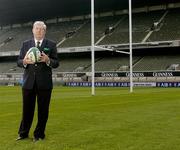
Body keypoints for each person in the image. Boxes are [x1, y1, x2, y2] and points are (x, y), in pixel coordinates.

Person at [16, 21, 59, 142]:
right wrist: (24, 62)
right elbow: (19, 61)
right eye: (37, 28)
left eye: (41, 29)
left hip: (44, 83)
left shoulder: (51, 44)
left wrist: (47, 60)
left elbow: (56, 63)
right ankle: (23, 133)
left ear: (44, 31)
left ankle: (39, 135)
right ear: (33, 30)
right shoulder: (26, 44)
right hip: (28, 83)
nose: (39, 31)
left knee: (43, 111)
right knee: (26, 110)